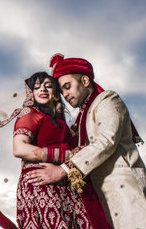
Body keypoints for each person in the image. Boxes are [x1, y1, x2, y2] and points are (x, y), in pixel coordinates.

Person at [27, 54, 146, 228]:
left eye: (67, 87)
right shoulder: (81, 118)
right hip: (99, 197)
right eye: (62, 91)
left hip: (125, 191)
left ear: (84, 80)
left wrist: (63, 170)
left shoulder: (108, 100)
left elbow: (106, 141)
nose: (65, 95)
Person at [13, 72, 111, 229]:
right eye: (36, 87)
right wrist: (69, 155)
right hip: (41, 183)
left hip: (67, 182)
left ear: (56, 94)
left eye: (48, 86)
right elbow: (19, 148)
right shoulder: (30, 113)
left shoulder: (62, 123)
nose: (42, 90)